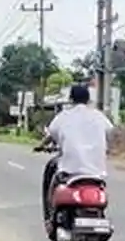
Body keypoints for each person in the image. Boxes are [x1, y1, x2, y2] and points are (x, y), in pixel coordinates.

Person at [39, 83, 114, 218]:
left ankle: (51, 215)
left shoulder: (64, 116)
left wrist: (41, 145)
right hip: (96, 173)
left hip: (70, 171)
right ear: (88, 100)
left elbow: (50, 135)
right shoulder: (99, 116)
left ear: (71, 99)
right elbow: (111, 133)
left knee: (55, 175)